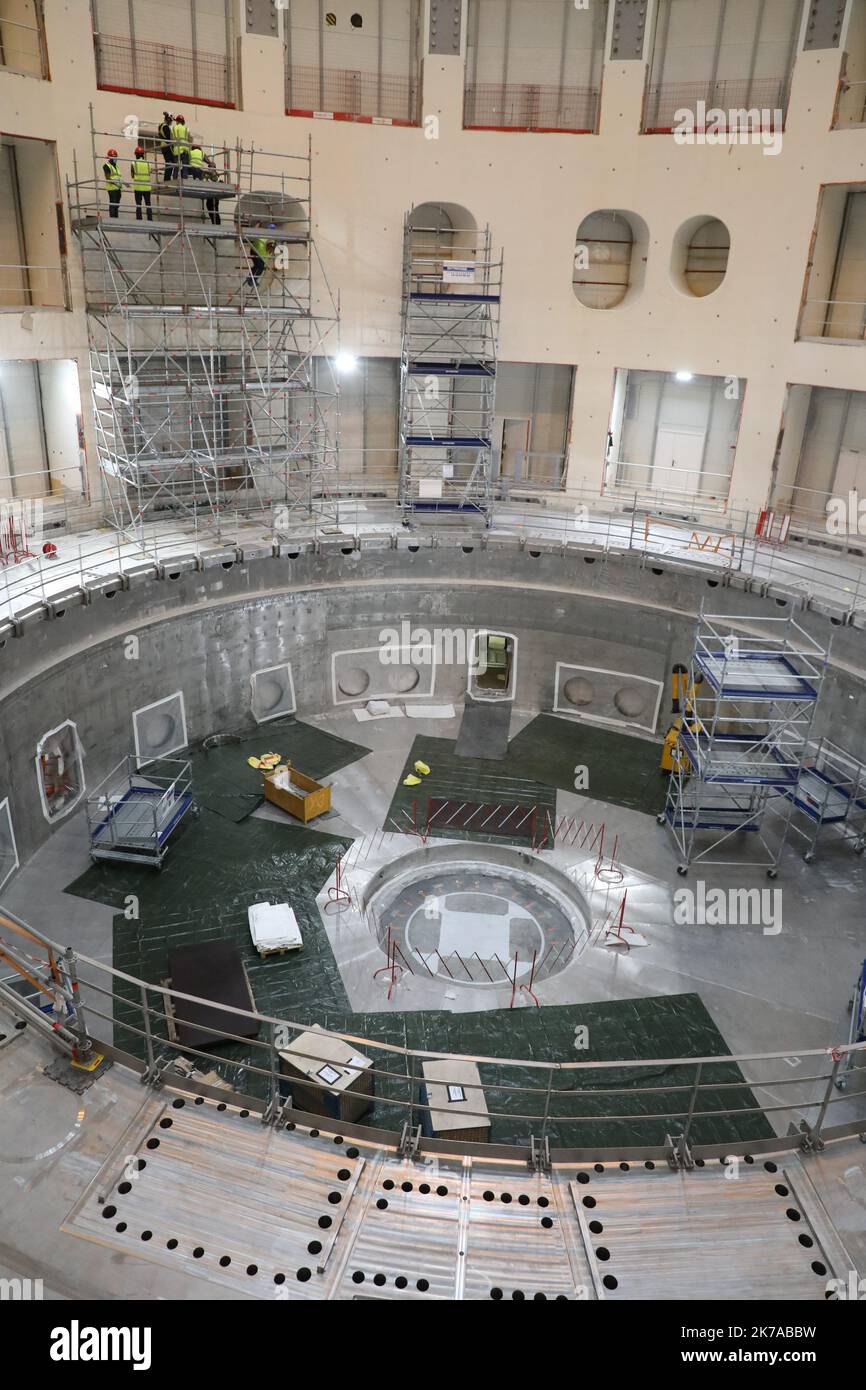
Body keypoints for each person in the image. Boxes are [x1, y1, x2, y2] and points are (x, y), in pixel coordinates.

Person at [130, 146, 153, 222]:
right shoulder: (148, 163)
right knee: (148, 204)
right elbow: (150, 172)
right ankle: (150, 219)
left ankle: (139, 219)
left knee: (138, 204)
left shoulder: (134, 163)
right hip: (147, 187)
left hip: (138, 187)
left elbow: (132, 175)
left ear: (136, 154)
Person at [103, 149, 122, 218]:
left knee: (116, 205)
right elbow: (108, 178)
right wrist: (116, 183)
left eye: (116, 157)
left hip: (118, 188)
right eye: (113, 157)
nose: (115, 158)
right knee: (113, 205)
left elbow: (118, 176)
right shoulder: (106, 166)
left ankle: (116, 218)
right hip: (112, 188)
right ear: (109, 157)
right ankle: (113, 219)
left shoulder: (116, 166)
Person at [170, 113, 190, 178]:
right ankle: (184, 179)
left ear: (177, 121)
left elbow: (171, 139)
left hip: (177, 150)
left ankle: (174, 178)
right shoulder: (187, 129)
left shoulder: (174, 128)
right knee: (185, 167)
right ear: (183, 121)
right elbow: (189, 139)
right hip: (185, 149)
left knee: (176, 166)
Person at [158, 111, 175, 182]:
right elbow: (169, 138)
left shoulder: (161, 125)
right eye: (170, 120)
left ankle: (167, 178)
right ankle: (167, 179)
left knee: (169, 163)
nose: (171, 122)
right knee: (170, 163)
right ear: (168, 119)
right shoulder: (165, 127)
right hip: (167, 147)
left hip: (164, 147)